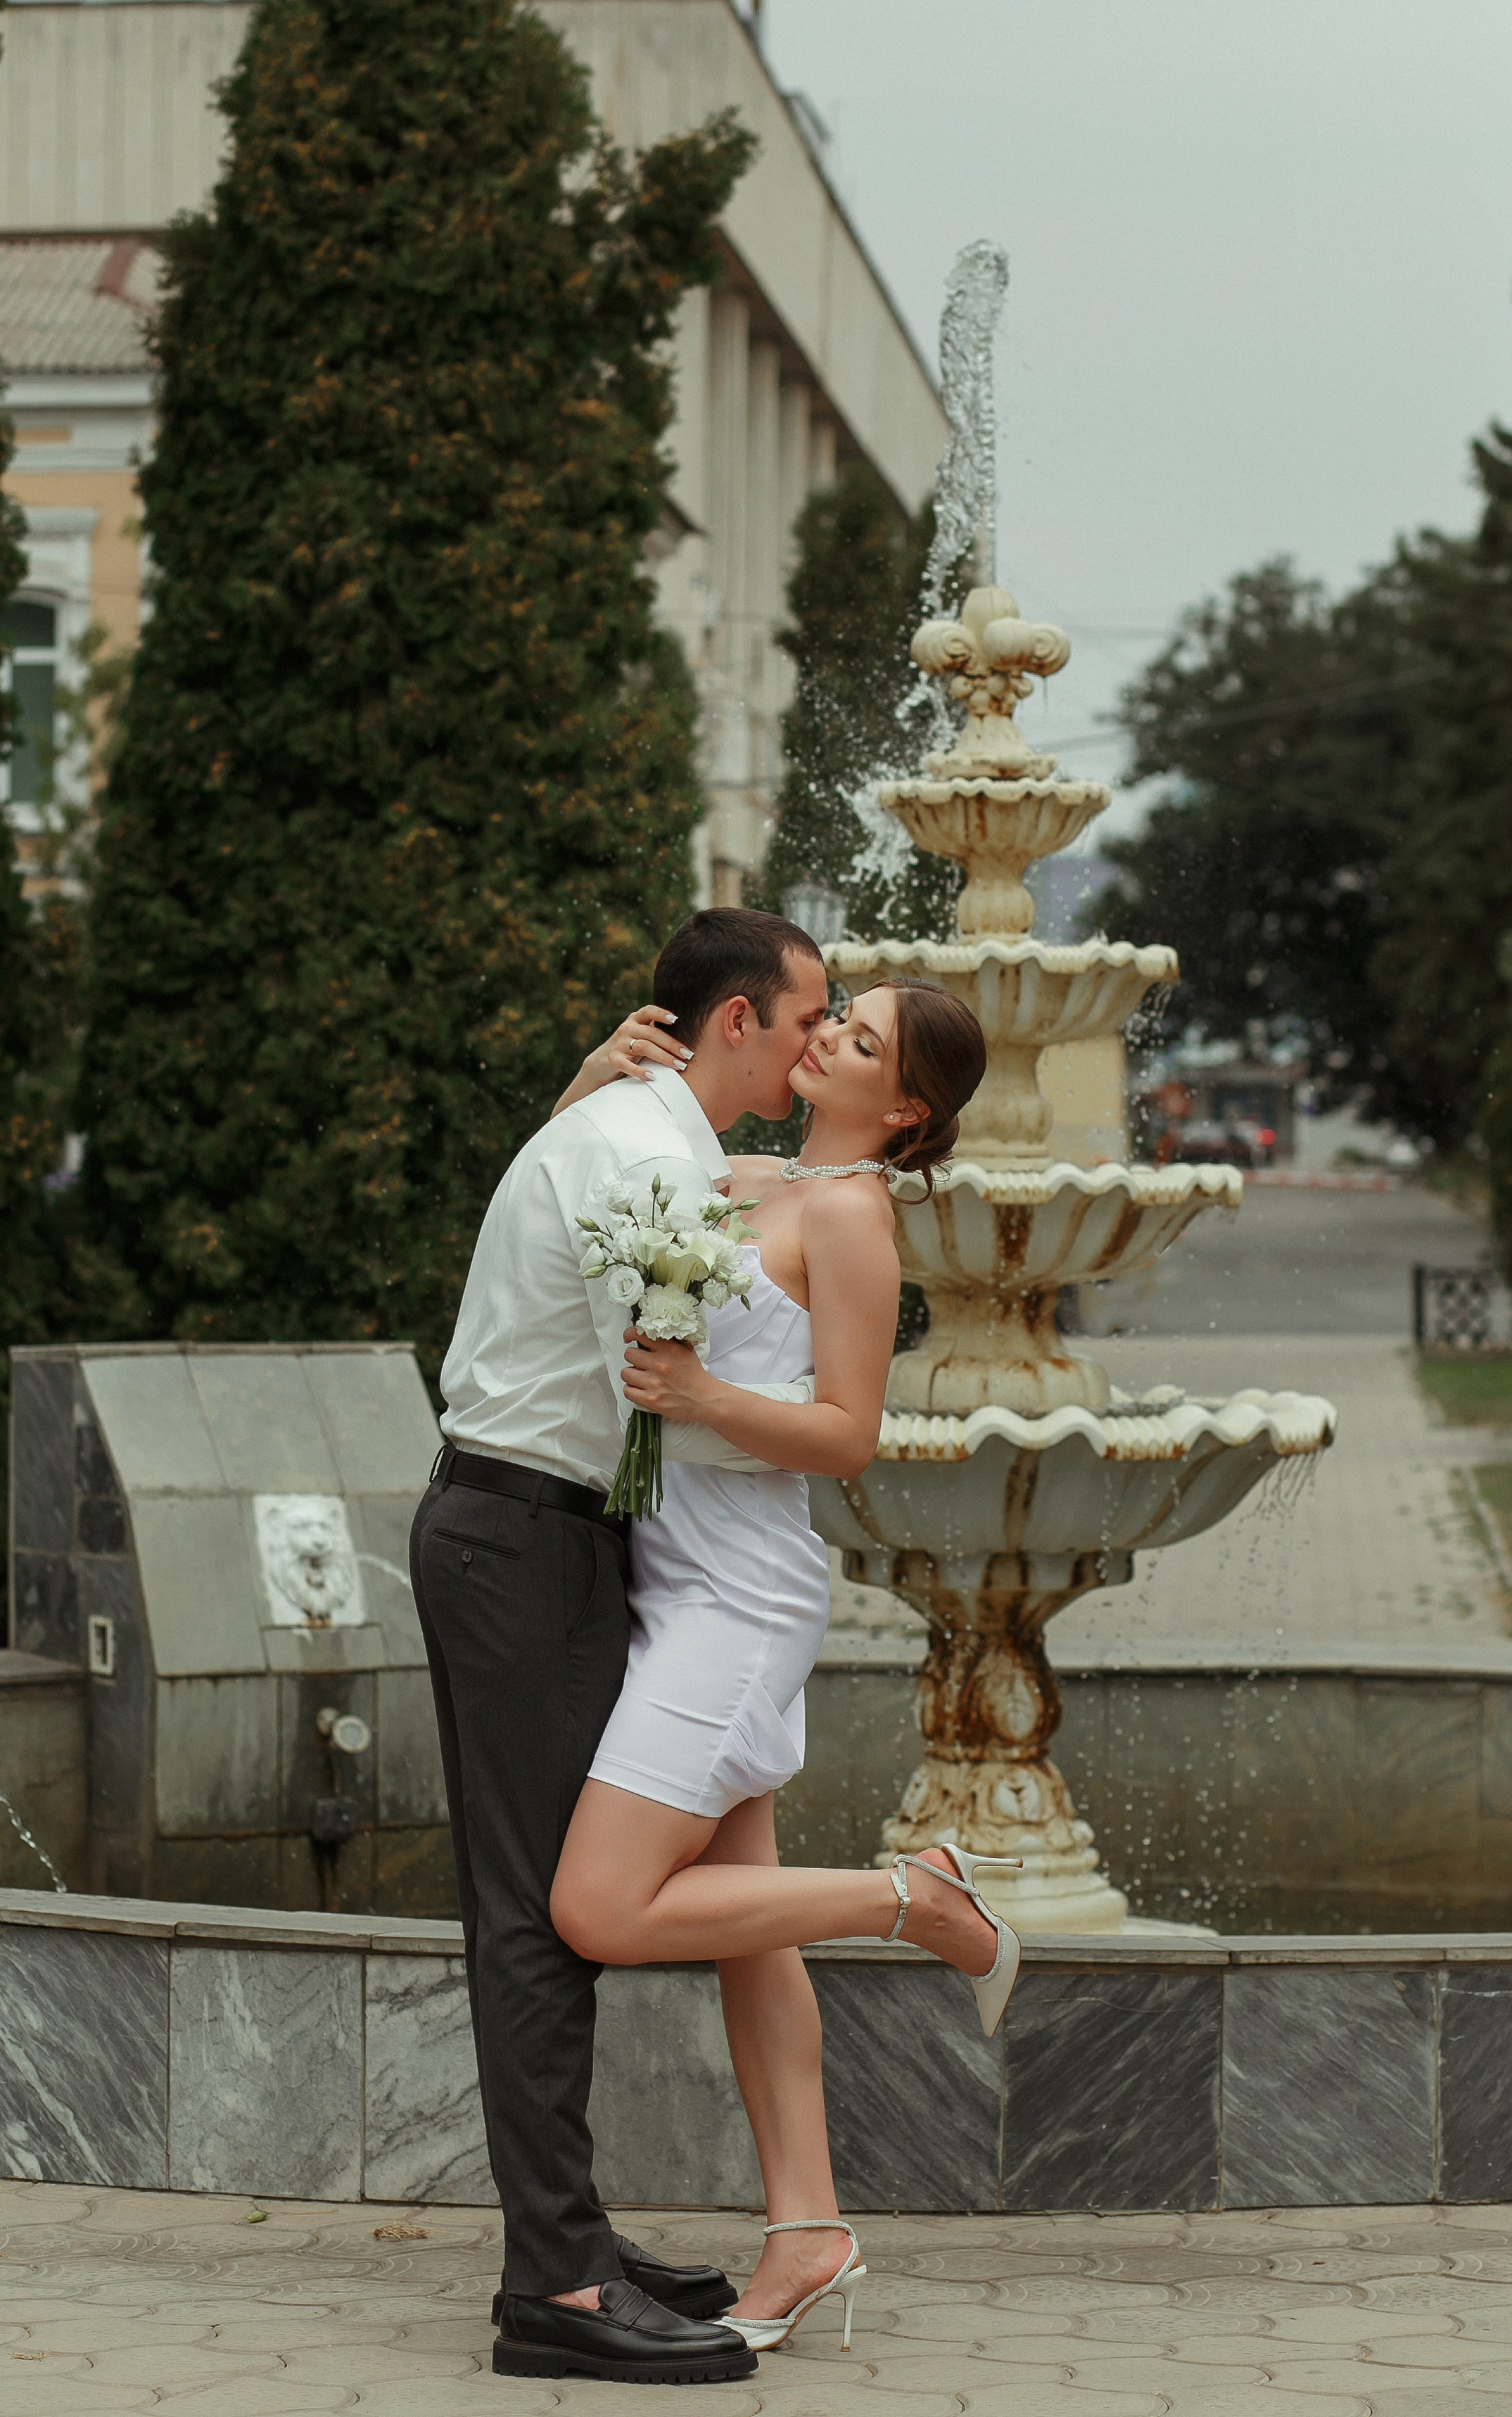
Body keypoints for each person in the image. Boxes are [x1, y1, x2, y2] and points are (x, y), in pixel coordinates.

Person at [545, 972, 1004, 2364]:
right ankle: (806, 2228)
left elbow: (850, 1435)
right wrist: (589, 1077)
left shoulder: (855, 1217)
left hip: (736, 1600)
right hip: (666, 1575)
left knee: (600, 1908)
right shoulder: (737, 1167)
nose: (827, 1038)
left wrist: (697, 1397)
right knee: (747, 1922)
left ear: (904, 1107)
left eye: (858, 1041)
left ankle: (911, 1896)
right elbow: (561, 1197)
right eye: (834, 1017)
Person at [412, 907, 830, 2388]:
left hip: (554, 1540)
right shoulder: (641, 1157)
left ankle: (571, 2241)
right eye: (800, 1022)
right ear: (735, 1023)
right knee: (536, 1915)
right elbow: (652, 1383)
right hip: (522, 1539)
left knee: (547, 1912)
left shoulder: (637, 1134)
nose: (811, 1046)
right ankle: (559, 2290)